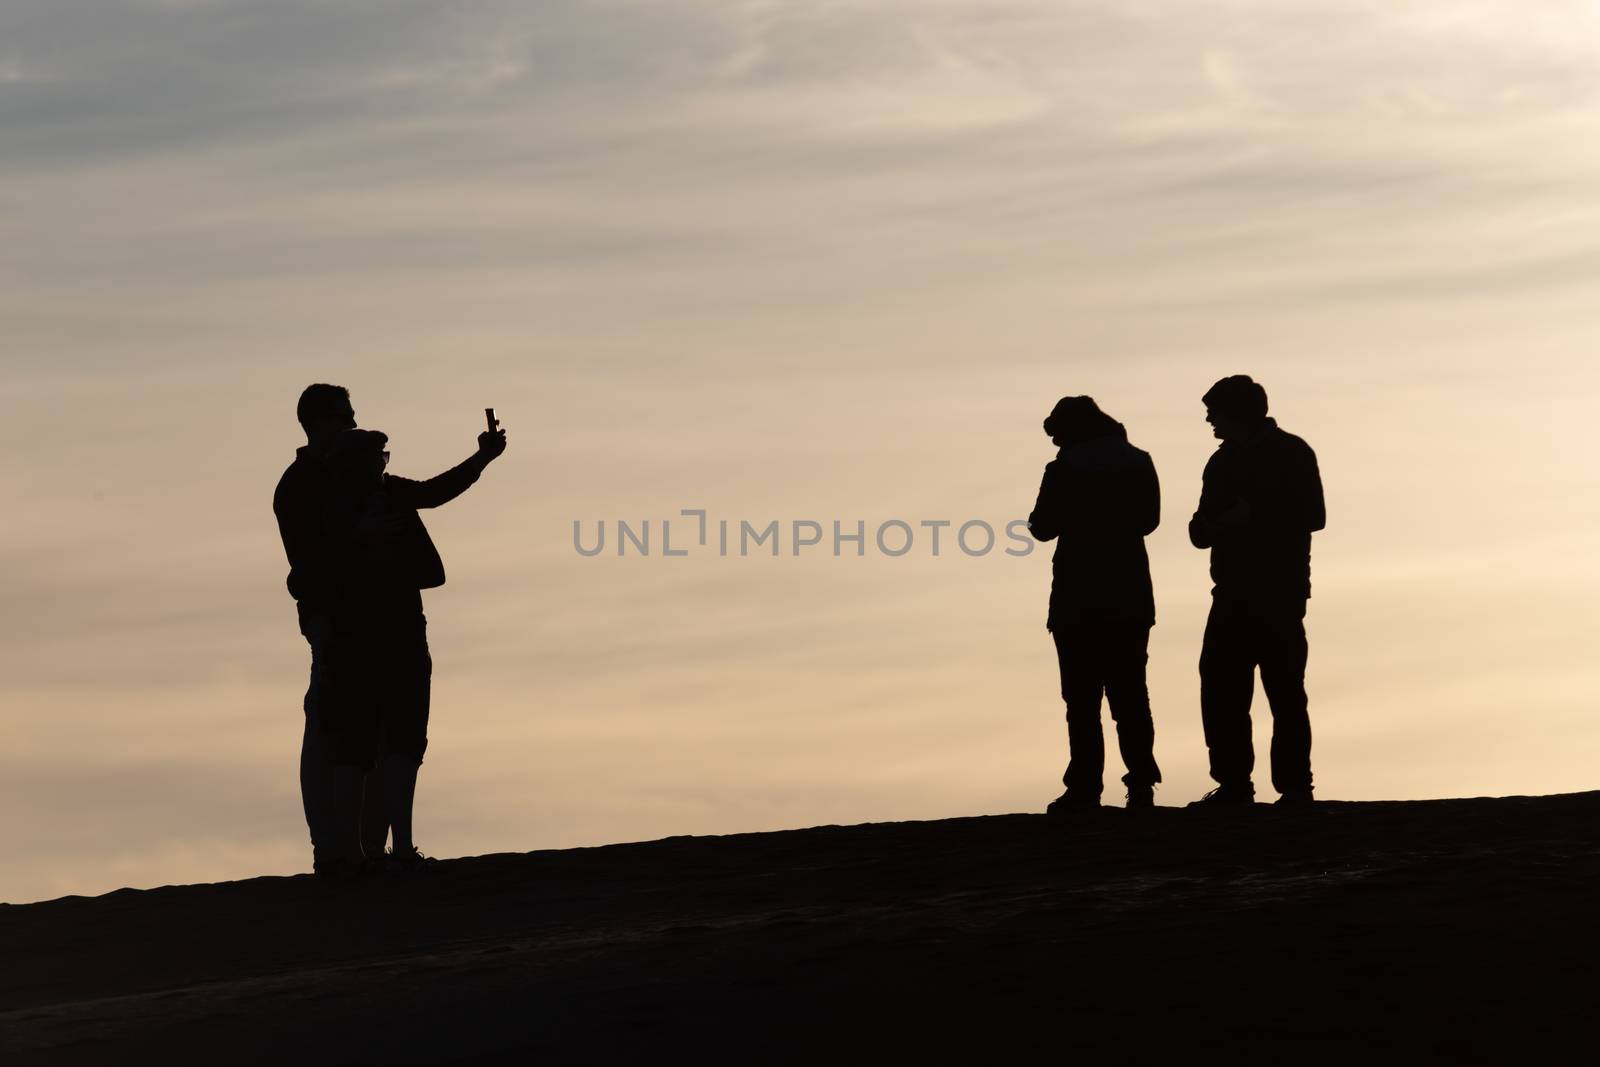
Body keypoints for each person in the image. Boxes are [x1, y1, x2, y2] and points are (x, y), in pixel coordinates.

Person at [273, 384, 508, 874]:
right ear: (319, 422)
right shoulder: (299, 485)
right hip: (338, 629)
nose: (353, 425)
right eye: (345, 417)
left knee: (387, 738)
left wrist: (481, 459)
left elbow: (434, 492)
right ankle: (338, 852)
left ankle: (376, 849)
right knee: (339, 738)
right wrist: (354, 546)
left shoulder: (383, 489)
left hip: (389, 628)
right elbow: (305, 569)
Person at [1187, 375, 1324, 807]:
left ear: (1236, 412)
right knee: (1222, 686)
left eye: (1215, 411)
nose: (1209, 418)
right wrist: (1214, 525)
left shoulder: (1292, 452)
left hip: (1279, 591)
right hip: (1230, 590)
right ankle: (1234, 783)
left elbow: (1313, 515)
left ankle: (1295, 786)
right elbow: (1198, 528)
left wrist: (1250, 517)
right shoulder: (1220, 461)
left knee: (1283, 689)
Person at [1027, 396, 1162, 811]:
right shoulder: (1139, 462)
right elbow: (1149, 521)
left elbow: (1042, 527)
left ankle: (1084, 787)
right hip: (1129, 594)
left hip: (1077, 596)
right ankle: (1141, 783)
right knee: (1130, 693)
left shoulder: (1063, 470)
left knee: (1081, 699)